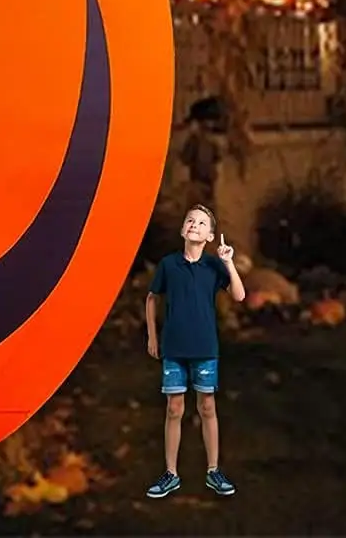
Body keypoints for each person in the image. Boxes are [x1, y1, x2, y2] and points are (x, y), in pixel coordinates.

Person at [144, 204, 246, 499]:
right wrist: (153, 336)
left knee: (207, 407)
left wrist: (229, 263)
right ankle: (170, 474)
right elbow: (152, 299)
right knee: (174, 408)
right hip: (174, 347)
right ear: (183, 229)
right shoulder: (168, 264)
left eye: (201, 223)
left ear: (210, 235)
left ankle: (213, 470)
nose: (194, 225)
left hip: (204, 347)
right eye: (190, 220)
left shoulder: (214, 266)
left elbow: (239, 296)